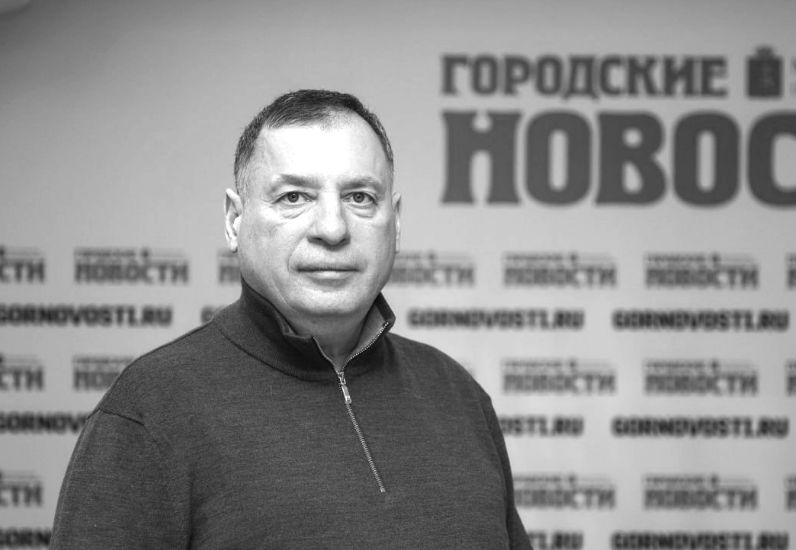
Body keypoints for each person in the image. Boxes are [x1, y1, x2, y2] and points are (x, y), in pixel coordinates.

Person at [51, 89, 532, 549]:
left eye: (360, 197)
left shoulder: (458, 396)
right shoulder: (151, 410)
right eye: (294, 197)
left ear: (396, 222)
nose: (332, 228)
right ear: (234, 221)